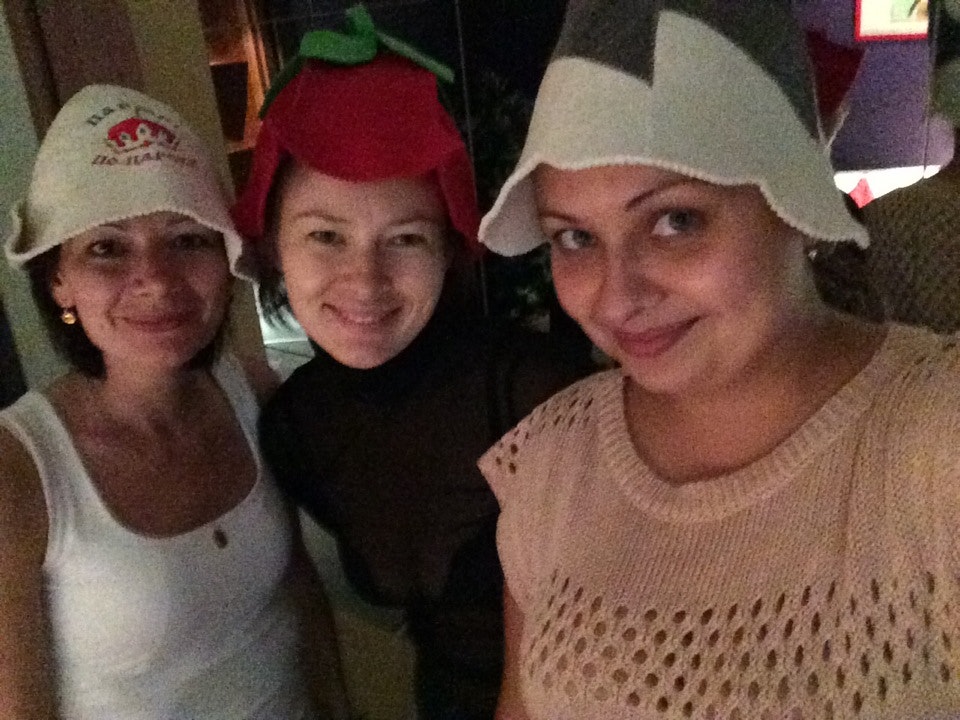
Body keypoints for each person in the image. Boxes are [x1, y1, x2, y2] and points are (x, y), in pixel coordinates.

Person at [476, 1, 960, 718]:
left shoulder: (938, 442)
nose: (617, 297)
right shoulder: (551, 463)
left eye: (676, 221)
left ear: (795, 205)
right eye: (575, 237)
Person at [231, 7, 590, 718]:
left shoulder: (533, 394)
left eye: (405, 239)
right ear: (272, 244)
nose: (365, 281)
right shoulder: (297, 430)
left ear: (449, 251)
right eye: (326, 235)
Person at [0, 84, 348, 720]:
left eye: (188, 240)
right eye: (107, 248)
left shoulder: (256, 396)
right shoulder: (19, 469)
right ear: (58, 280)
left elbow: (298, 591)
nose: (157, 280)